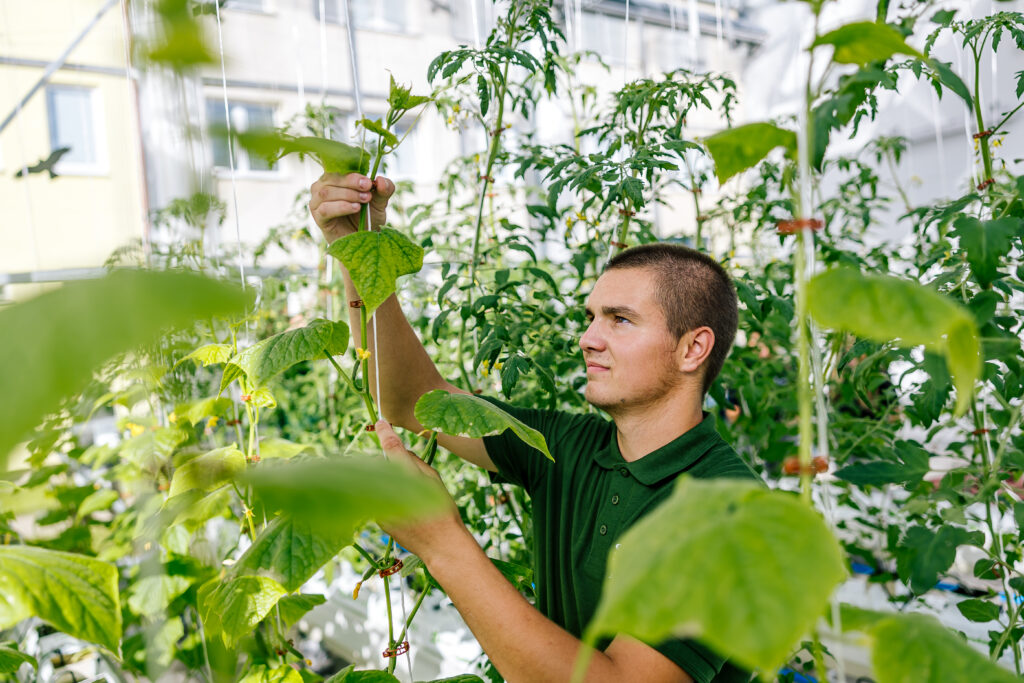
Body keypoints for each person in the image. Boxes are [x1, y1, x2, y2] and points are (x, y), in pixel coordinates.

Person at [309, 172, 759, 683]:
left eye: (620, 320)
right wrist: (357, 250)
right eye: (590, 317)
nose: (588, 338)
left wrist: (441, 541)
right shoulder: (566, 447)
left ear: (692, 348)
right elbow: (413, 398)